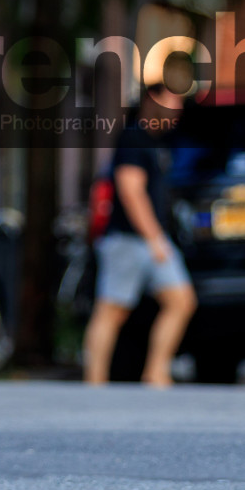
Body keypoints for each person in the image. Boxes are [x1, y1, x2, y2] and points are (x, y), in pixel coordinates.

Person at [82, 80, 197, 387]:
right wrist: (154, 238)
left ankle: (156, 371)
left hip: (152, 240)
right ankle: (94, 381)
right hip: (128, 240)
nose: (177, 112)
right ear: (152, 101)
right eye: (172, 104)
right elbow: (131, 192)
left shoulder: (157, 143)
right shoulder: (133, 138)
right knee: (112, 310)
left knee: (181, 301)